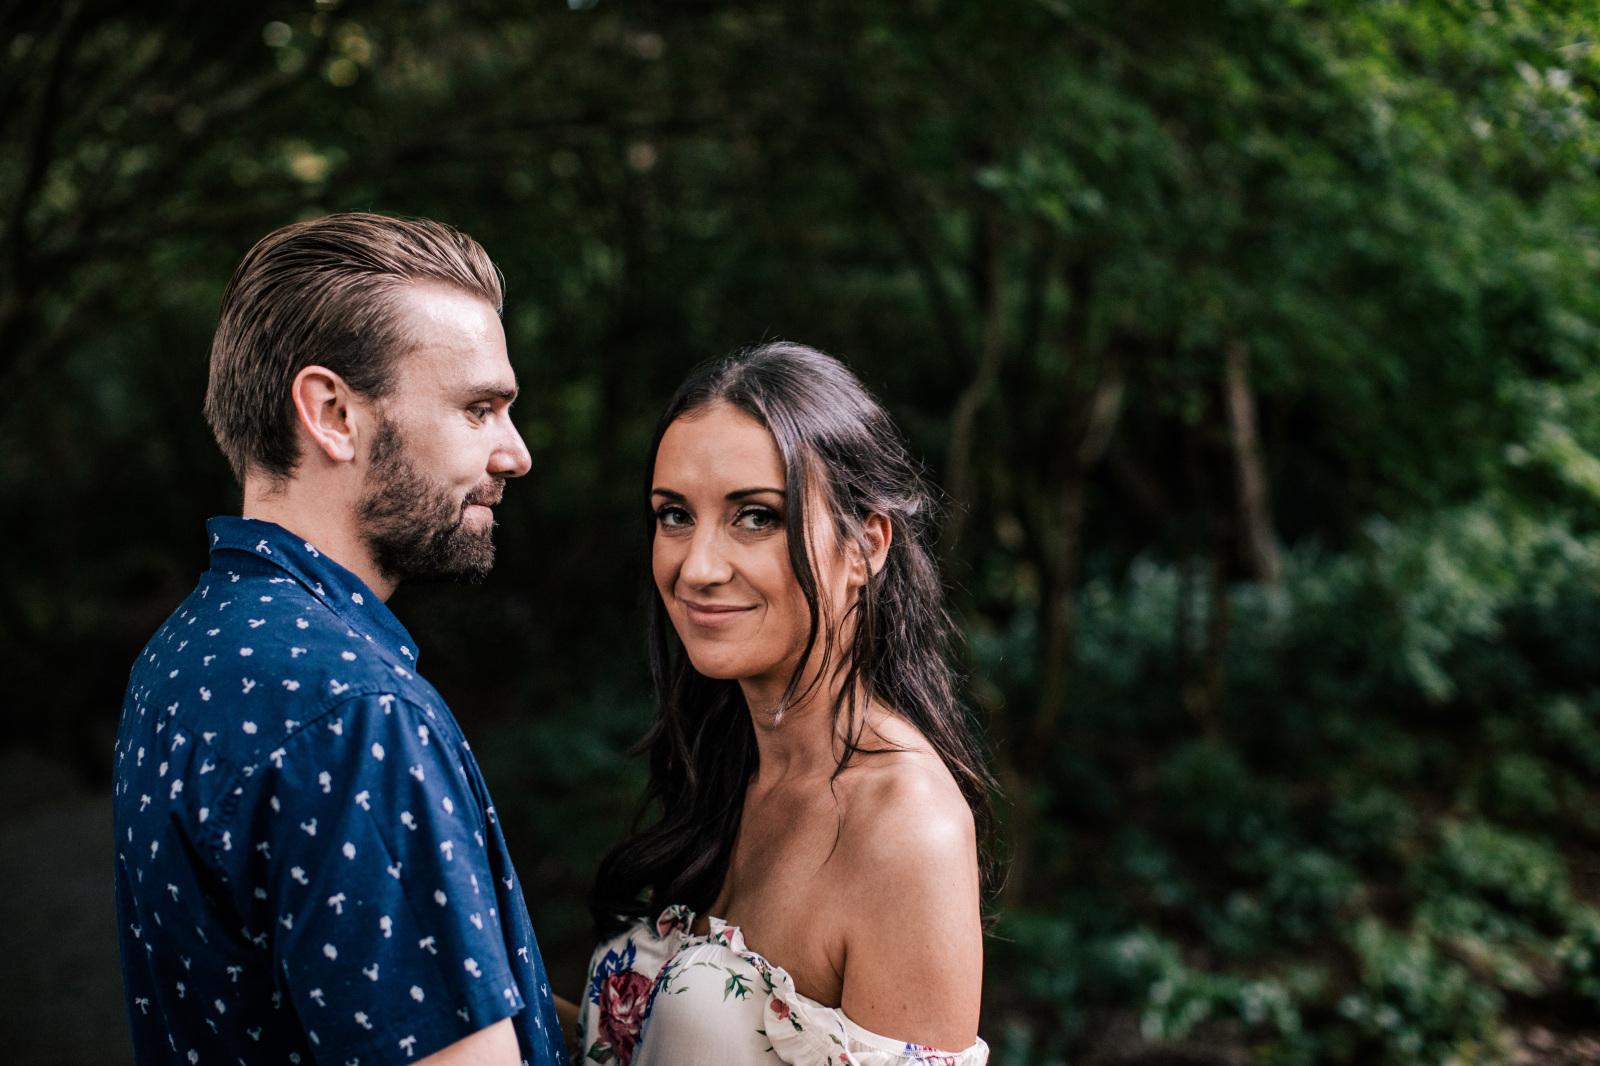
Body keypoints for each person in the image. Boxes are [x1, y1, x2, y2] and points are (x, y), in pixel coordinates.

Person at [113, 213, 574, 1066]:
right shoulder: (356, 715)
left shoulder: (186, 653)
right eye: (479, 409)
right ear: (333, 413)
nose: (515, 454)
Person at [579, 343, 998, 1066]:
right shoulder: (729, 763)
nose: (697, 567)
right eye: (674, 515)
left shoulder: (907, 829)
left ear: (865, 546)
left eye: (756, 517)